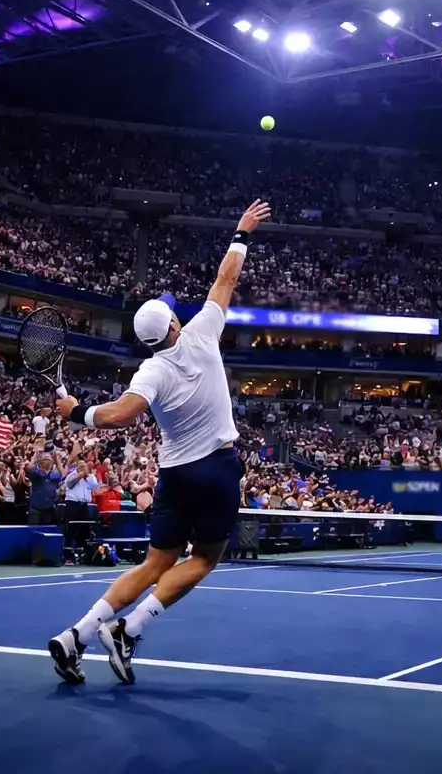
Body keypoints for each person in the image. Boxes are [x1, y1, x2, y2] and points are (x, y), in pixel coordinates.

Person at [47, 200, 269, 686]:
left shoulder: (149, 370)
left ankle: (76, 635)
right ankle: (128, 630)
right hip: (215, 470)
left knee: (155, 562)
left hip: (174, 475)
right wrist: (241, 233)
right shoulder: (203, 331)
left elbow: (121, 413)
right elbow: (225, 279)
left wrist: (78, 412)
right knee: (204, 558)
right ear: (172, 325)